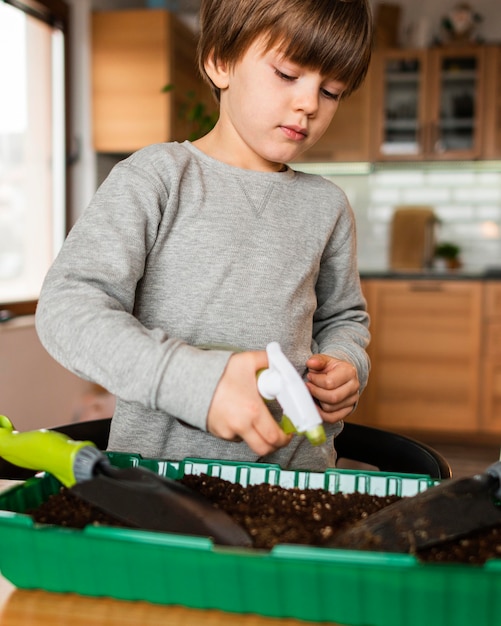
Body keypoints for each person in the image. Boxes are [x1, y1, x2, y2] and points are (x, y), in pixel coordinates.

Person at [35, 0, 373, 472]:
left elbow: (344, 318)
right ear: (220, 60)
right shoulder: (156, 178)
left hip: (299, 483)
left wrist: (345, 362)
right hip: (161, 489)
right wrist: (195, 382)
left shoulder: (327, 206)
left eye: (332, 91)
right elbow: (67, 310)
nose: (310, 104)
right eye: (287, 73)